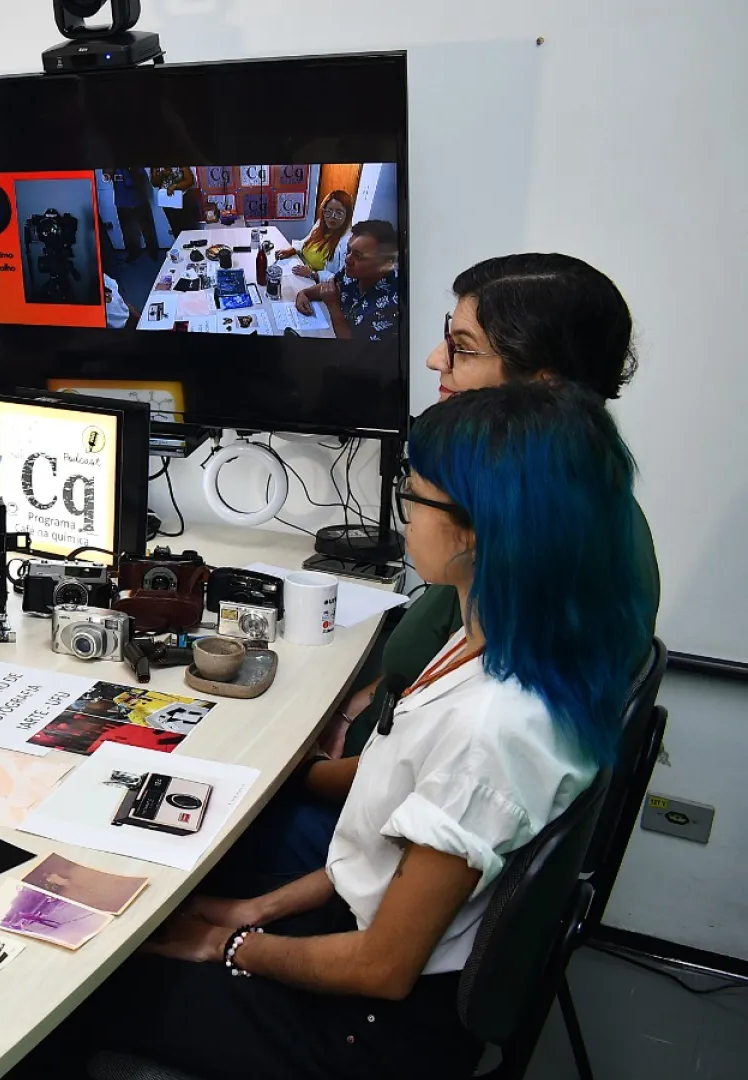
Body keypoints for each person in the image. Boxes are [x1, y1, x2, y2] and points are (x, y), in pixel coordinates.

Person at [39, 380, 653, 1080]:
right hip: (358, 944)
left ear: (480, 529)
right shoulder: (509, 639)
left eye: (412, 498)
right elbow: (379, 850)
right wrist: (251, 908)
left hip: (370, 1033)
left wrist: (233, 946)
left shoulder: (492, 726)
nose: (405, 519)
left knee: (73, 991)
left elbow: (381, 968)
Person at [212, 252, 659, 888]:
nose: (433, 362)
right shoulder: (552, 507)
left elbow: (446, 782)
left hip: (386, 830)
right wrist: (362, 705)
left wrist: (289, 768)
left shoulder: (547, 547)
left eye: (461, 348)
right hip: (382, 778)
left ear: (542, 385)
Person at [295, 219, 400, 341]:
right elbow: (331, 287)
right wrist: (304, 294)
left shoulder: (391, 303)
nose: (348, 259)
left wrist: (333, 305)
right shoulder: (352, 271)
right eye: (349, 251)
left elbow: (354, 350)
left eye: (358, 256)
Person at [278, 188, 353, 281]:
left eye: (339, 213)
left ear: (347, 215)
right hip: (300, 269)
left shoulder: (347, 243)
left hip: (317, 284)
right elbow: (305, 242)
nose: (332, 217)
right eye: (328, 211)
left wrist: (314, 274)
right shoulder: (320, 224)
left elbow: (342, 279)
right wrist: (292, 250)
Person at [108, 167, 159, 258]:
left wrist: (129, 170)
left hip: (139, 202)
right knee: (127, 232)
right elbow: (106, 172)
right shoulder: (113, 166)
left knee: (147, 230)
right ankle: (132, 253)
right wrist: (108, 172)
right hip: (122, 204)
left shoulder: (137, 166)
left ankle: (152, 252)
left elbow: (130, 183)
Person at [149, 166, 202, 240]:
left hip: (184, 199)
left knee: (191, 230)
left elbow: (190, 180)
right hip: (168, 202)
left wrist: (175, 186)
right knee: (177, 232)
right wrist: (162, 175)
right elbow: (154, 183)